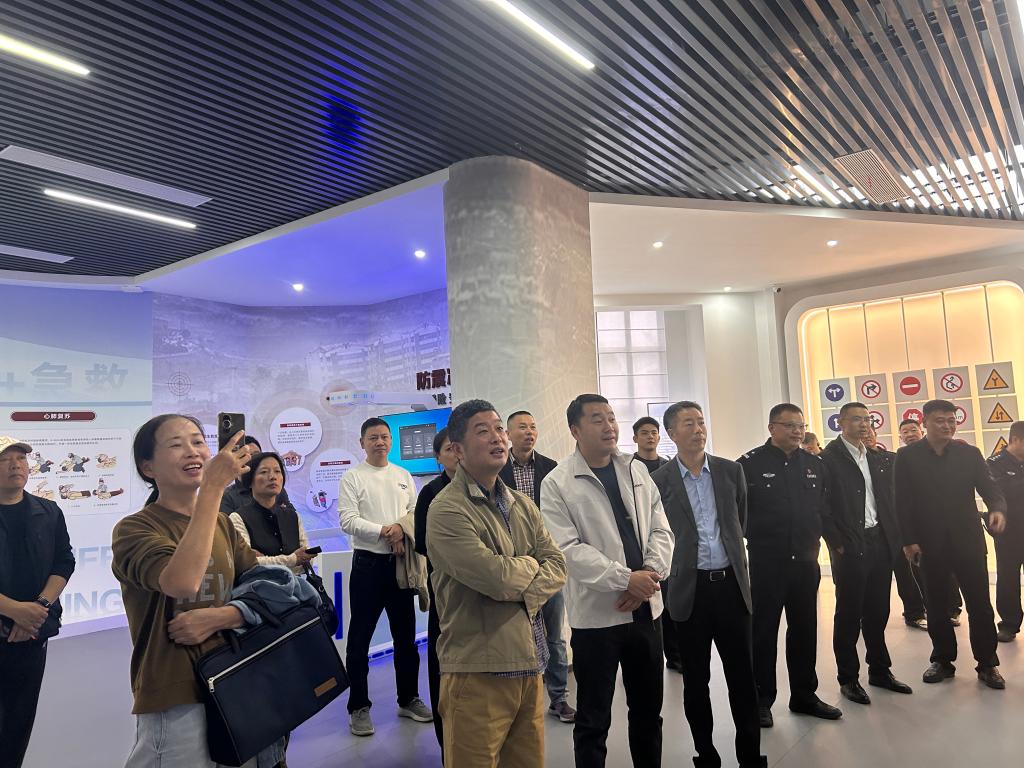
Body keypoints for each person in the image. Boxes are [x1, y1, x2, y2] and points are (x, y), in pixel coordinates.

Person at [111, 415, 261, 766]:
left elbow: (262, 587)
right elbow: (181, 582)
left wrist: (225, 616)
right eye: (176, 445)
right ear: (148, 467)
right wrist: (212, 489)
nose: (192, 452)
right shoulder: (134, 529)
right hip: (177, 692)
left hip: (235, 677)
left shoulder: (223, 524)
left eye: (197, 442)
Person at [427, 400, 566, 767]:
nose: (498, 437)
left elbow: (558, 565)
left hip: (530, 664)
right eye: (483, 431)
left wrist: (519, 579)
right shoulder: (447, 509)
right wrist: (530, 566)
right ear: (457, 449)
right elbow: (497, 579)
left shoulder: (522, 504)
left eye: (499, 429)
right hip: (478, 671)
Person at [541, 394, 674, 768]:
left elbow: (661, 529)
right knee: (593, 718)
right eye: (597, 419)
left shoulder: (636, 470)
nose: (609, 426)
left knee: (648, 712)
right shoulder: (557, 482)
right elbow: (567, 549)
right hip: (598, 618)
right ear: (575, 430)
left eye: (612, 418)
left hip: (646, 611)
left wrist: (648, 577)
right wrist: (625, 580)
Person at [651, 402, 766, 768]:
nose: (698, 429)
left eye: (701, 422)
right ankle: (706, 754)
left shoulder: (731, 471)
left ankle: (750, 756)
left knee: (742, 678)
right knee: (696, 681)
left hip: (731, 587)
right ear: (672, 433)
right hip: (690, 591)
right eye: (688, 423)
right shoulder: (659, 481)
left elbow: (739, 521)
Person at [738, 403, 841, 727]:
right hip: (767, 563)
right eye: (789, 425)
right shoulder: (749, 464)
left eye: (801, 426)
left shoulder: (814, 464)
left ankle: (804, 696)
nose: (797, 431)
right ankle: (760, 700)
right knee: (763, 632)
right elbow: (738, 513)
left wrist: (835, 544)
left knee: (805, 630)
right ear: (772, 428)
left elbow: (823, 509)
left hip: (806, 561)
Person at [894, 399, 1007, 689]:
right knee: (936, 605)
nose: (947, 425)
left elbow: (990, 488)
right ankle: (943, 660)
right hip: (928, 544)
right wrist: (908, 540)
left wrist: (997, 509)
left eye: (951, 420)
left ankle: (987, 663)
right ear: (925, 423)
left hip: (968, 541)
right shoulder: (907, 457)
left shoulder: (969, 453)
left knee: (980, 604)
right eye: (940, 420)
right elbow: (902, 502)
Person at [339, 417, 432, 737]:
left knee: (406, 639)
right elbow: (348, 520)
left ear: (391, 441)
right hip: (367, 566)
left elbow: (416, 513)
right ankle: (358, 707)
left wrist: (400, 530)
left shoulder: (403, 475)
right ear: (362, 443)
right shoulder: (353, 477)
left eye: (384, 437)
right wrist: (386, 531)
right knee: (359, 640)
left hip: (401, 564)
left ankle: (408, 699)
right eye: (373, 437)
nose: (380, 442)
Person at [820, 403, 913, 706]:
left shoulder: (875, 457)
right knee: (848, 614)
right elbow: (822, 507)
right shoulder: (827, 460)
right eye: (857, 419)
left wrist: (894, 539)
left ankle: (880, 670)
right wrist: (837, 542)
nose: (864, 424)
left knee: (878, 610)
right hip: (850, 546)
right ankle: (848, 678)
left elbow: (889, 500)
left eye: (868, 419)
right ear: (840, 422)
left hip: (880, 543)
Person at [0, 436, 75, 768]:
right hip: (14, 623)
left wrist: (38, 608)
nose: (15, 465)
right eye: (5, 459)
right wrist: (15, 610)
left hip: (32, 633)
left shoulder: (48, 511)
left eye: (20, 458)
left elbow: (64, 562)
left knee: (18, 723)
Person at [498, 410, 575, 724]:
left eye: (533, 427)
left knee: (554, 636)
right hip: (512, 565)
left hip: (546, 564)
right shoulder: (497, 468)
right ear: (508, 434)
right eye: (522, 427)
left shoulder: (550, 468)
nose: (529, 432)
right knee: (515, 637)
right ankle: (518, 704)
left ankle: (559, 698)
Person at [413, 427, 458, 753]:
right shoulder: (431, 492)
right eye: (449, 449)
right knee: (443, 669)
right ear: (438, 457)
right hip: (445, 593)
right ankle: (448, 745)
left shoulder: (487, 487)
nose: (456, 454)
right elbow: (424, 542)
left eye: (459, 447)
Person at [630, 417, 681, 674]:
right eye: (644, 433)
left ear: (660, 437)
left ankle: (674, 655)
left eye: (653, 432)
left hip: (664, 543)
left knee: (669, 602)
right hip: (638, 544)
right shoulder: (628, 468)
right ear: (635, 438)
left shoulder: (668, 467)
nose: (650, 437)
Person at [229, 452, 315, 574]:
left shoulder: (292, 516)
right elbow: (247, 563)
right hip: (258, 584)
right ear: (250, 480)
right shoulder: (238, 518)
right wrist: (293, 559)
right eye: (264, 472)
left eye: (277, 471)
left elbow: (307, 560)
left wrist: (266, 561)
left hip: (295, 584)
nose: (272, 477)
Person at [987, 420, 1024, 643]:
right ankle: (1009, 624)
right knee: (1008, 578)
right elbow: (998, 493)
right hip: (1009, 532)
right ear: (1015, 440)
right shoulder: (994, 463)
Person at [220, 435, 291, 514]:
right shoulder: (227, 496)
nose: (252, 459)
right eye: (246, 456)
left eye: (257, 455)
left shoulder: (275, 488)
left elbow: (290, 515)